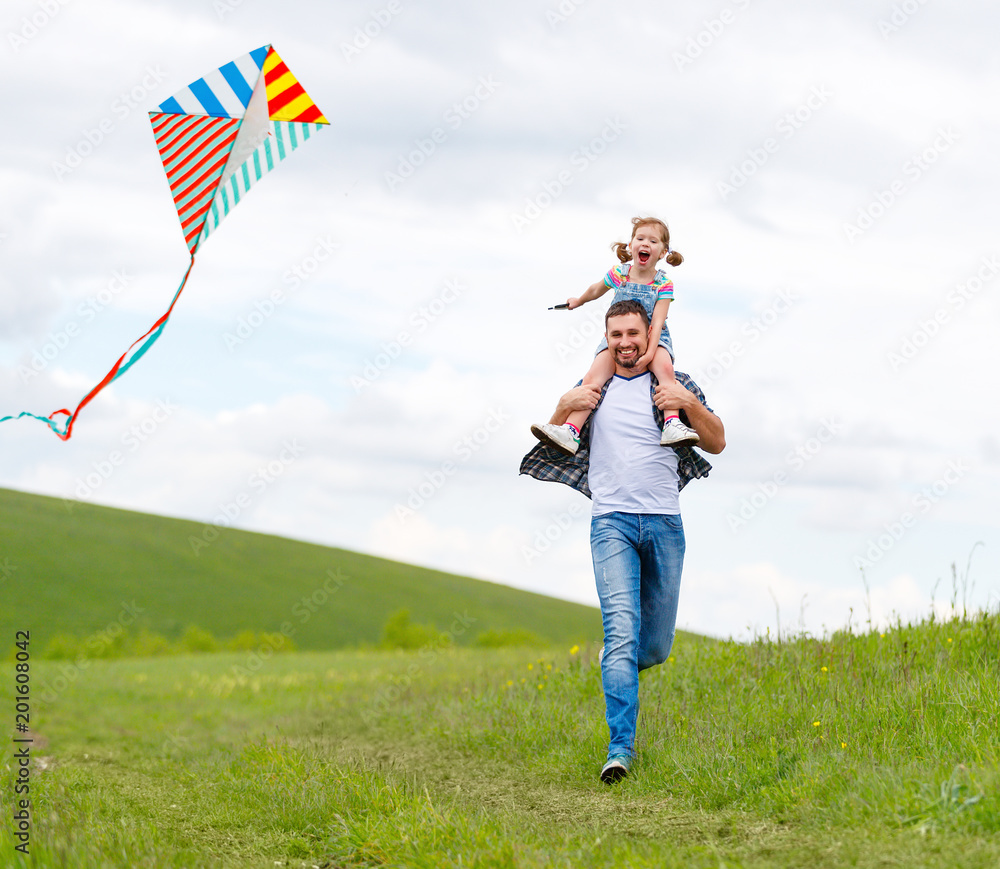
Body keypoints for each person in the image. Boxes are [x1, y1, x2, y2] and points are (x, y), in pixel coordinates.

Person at [520, 299, 725, 784]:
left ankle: (619, 662)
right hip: (610, 522)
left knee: (652, 649)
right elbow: (558, 434)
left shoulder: (674, 383)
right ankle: (620, 750)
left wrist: (689, 404)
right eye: (617, 336)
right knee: (620, 634)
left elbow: (717, 442)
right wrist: (561, 406)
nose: (626, 343)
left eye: (634, 334)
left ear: (648, 335)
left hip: (664, 524)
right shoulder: (593, 385)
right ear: (606, 338)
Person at [530, 216, 700, 457]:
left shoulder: (663, 283)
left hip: (653, 335)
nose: (645, 244)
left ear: (663, 252)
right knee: (592, 378)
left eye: (653, 241)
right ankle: (571, 430)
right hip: (619, 339)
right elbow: (595, 290)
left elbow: (659, 321)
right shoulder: (620, 273)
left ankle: (672, 423)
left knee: (665, 370)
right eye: (640, 238)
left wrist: (650, 353)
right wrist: (578, 301)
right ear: (630, 246)